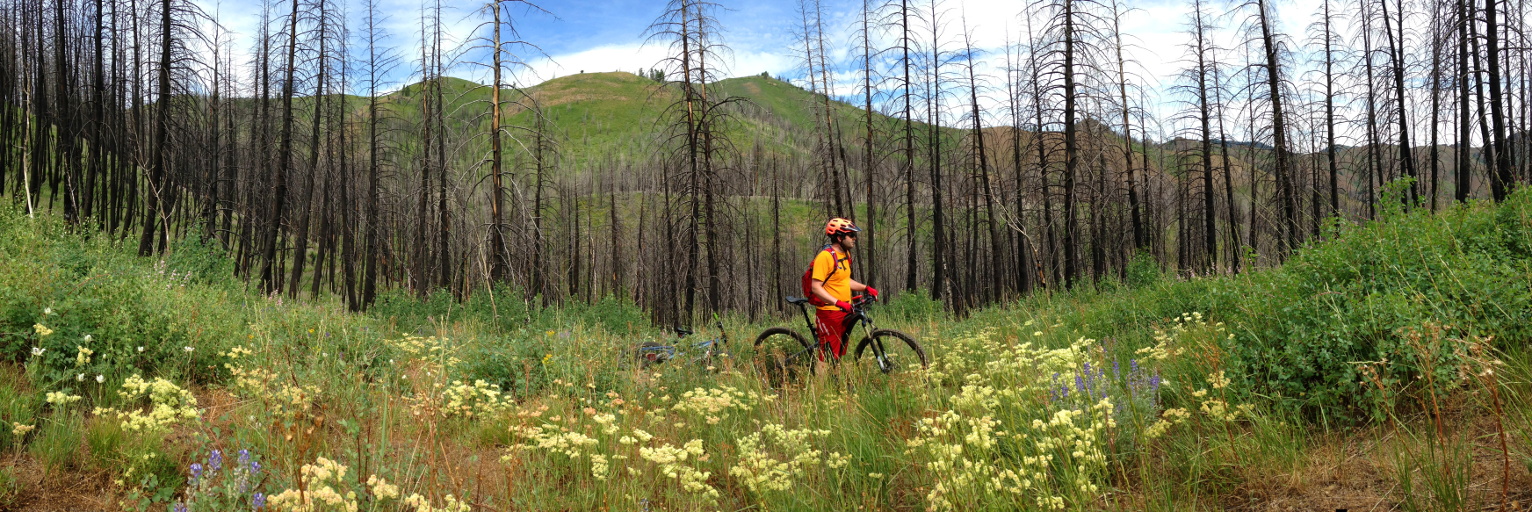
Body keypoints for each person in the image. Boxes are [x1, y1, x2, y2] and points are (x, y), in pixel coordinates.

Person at [808, 218, 878, 360]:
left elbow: (844, 280)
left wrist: (865, 288)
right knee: (826, 357)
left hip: (844, 311)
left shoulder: (845, 255)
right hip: (829, 313)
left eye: (854, 235)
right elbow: (815, 287)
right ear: (840, 238)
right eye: (851, 235)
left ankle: (835, 382)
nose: (854, 238)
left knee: (837, 353)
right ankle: (819, 383)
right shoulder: (825, 257)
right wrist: (838, 303)